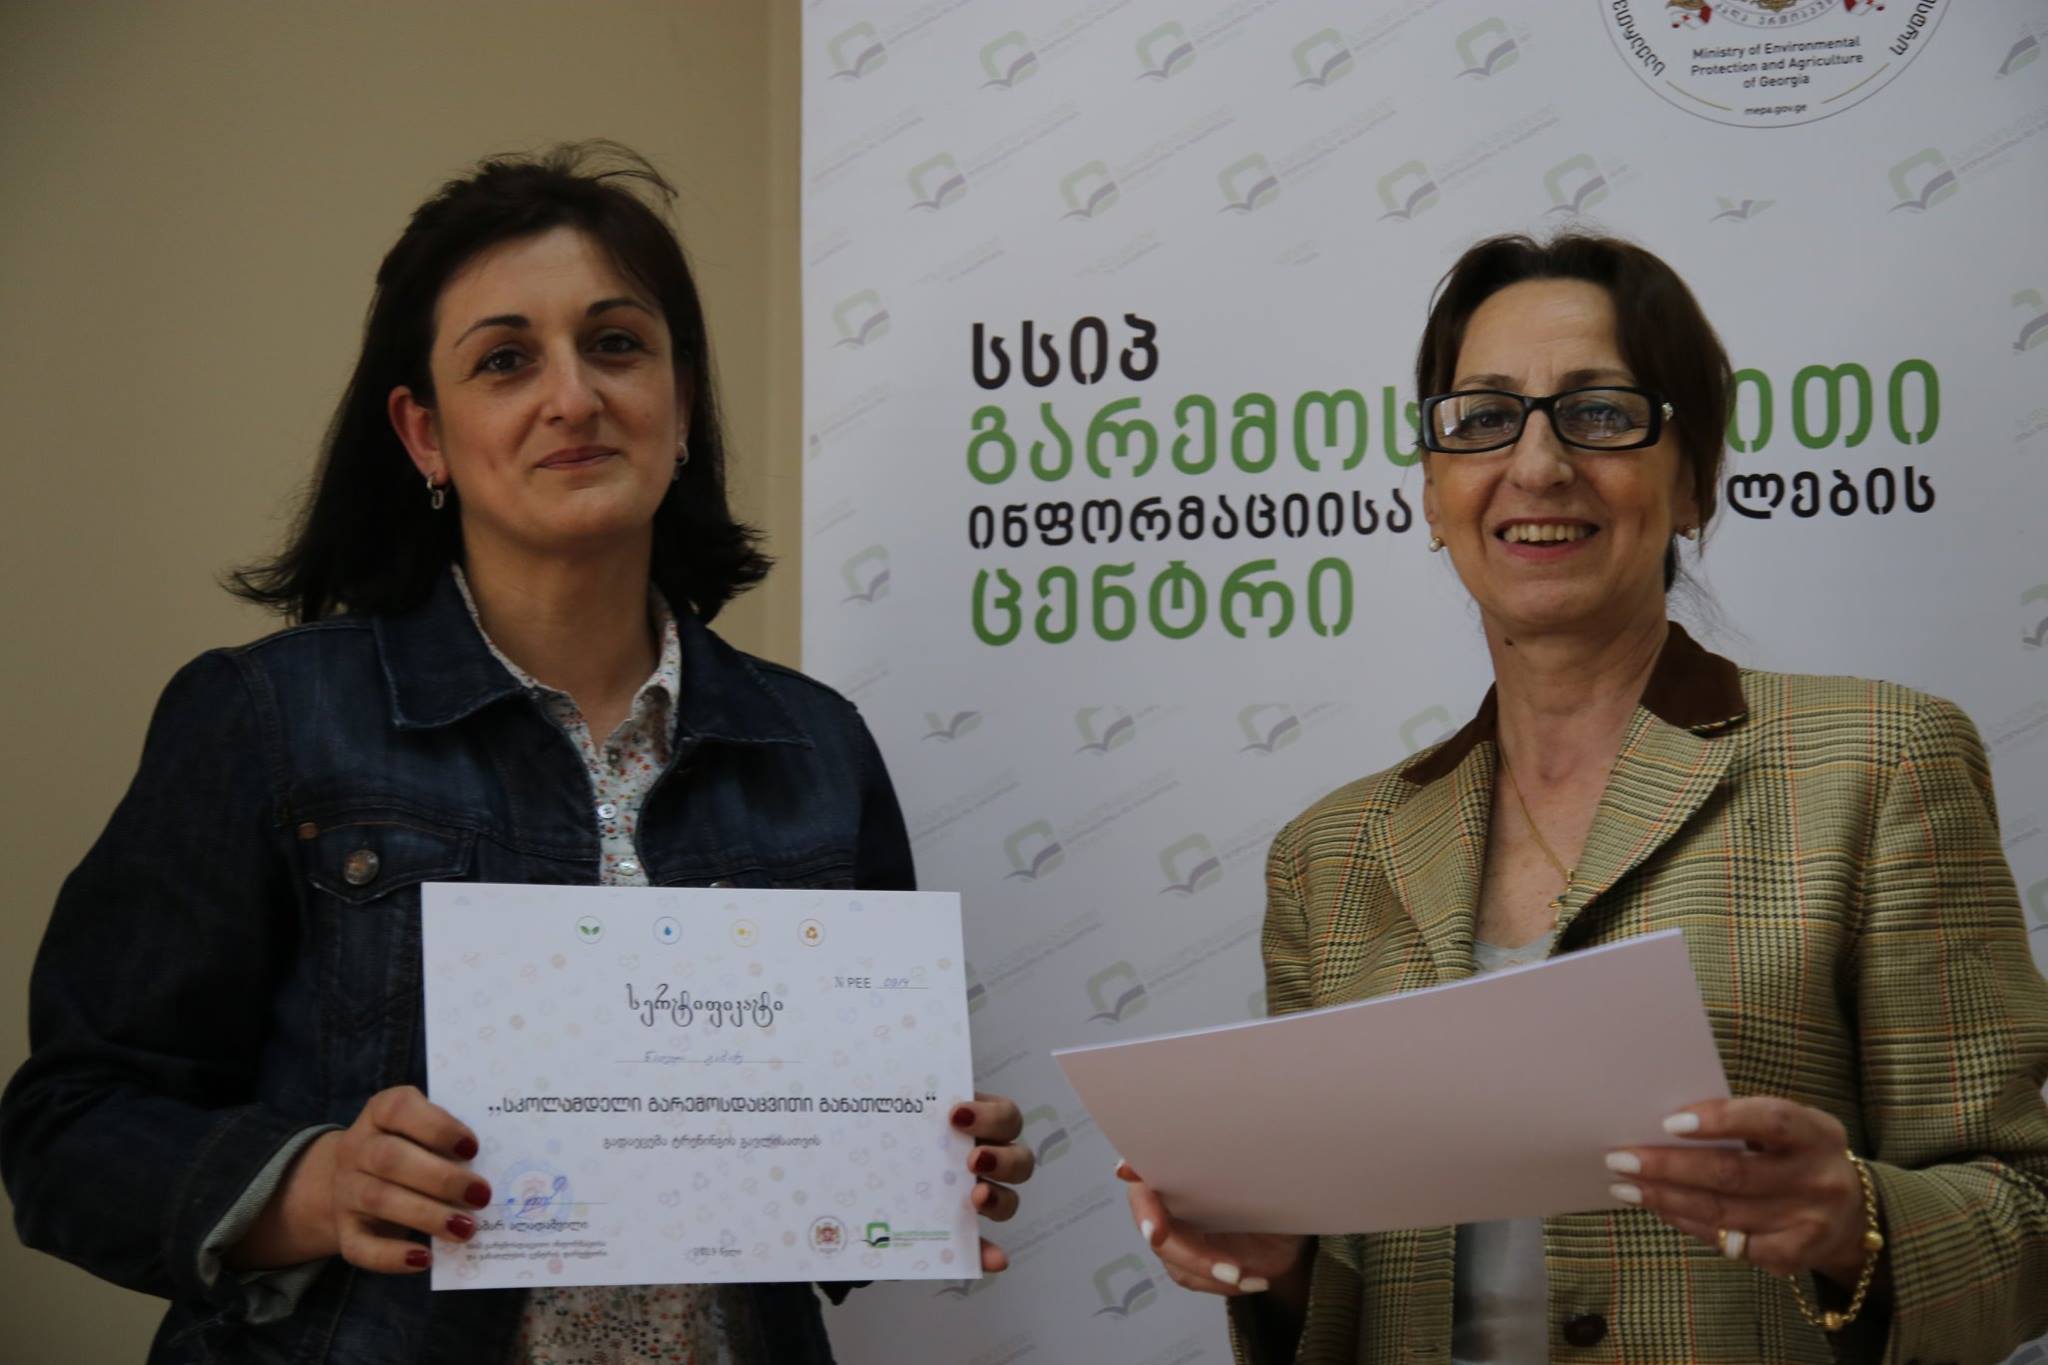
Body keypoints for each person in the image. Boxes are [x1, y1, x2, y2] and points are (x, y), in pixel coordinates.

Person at [1, 143, 1032, 1365]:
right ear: (423, 434)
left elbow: (836, 1193)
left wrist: (922, 1159)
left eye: (615, 344)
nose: (573, 397)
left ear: (681, 404)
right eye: (505, 361)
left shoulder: (815, 747)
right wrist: (312, 1186)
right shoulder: (268, 718)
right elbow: (67, 1129)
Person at [1119, 232, 2048, 1363]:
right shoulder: (1329, 854)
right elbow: (1348, 1288)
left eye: (1600, 414)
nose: (1539, 464)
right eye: (1481, 418)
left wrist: (1855, 1220)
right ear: (1431, 491)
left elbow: (2027, 1213)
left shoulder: (1876, 763)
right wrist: (1276, 1264)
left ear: (1692, 482)